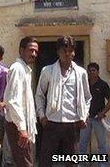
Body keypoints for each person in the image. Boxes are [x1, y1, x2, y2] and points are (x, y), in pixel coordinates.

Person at [35, 35, 92, 167]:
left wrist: (84, 115)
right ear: (58, 52)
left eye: (70, 50)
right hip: (51, 123)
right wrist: (42, 116)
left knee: (72, 162)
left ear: (74, 52)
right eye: (63, 51)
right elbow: (39, 95)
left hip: (73, 124)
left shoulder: (81, 72)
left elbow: (87, 97)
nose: (67, 54)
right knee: (46, 161)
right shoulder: (47, 71)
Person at [3, 36, 38, 167]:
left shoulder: (25, 70)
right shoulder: (17, 68)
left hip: (20, 124)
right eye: (30, 50)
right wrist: (22, 129)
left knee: (24, 161)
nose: (33, 54)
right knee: (25, 163)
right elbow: (13, 100)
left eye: (36, 51)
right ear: (21, 50)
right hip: (17, 126)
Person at [79, 62, 110, 167]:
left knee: (102, 144)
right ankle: (81, 164)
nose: (91, 72)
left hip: (98, 118)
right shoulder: (84, 84)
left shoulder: (103, 84)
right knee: (82, 143)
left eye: (94, 70)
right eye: (90, 71)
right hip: (86, 118)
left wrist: (103, 112)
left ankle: (102, 165)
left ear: (98, 72)